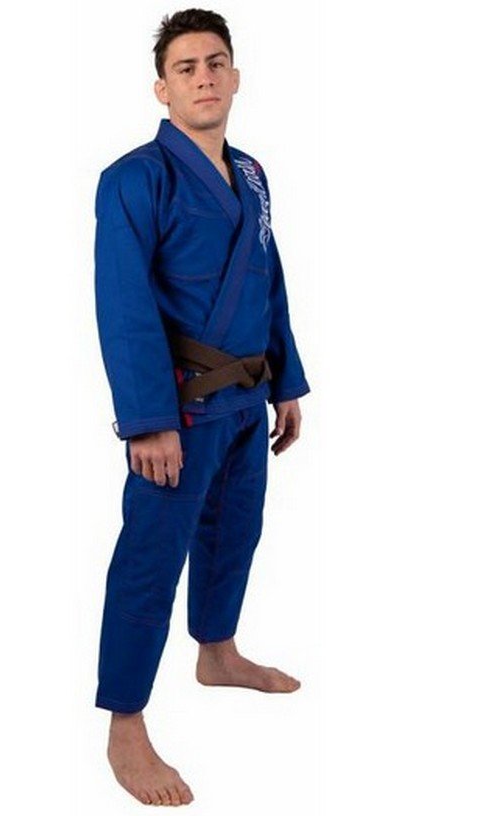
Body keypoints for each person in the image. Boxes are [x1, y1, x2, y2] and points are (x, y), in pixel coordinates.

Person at [92, 8, 311, 807]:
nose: (204, 76)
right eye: (186, 67)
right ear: (163, 88)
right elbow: (122, 305)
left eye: (216, 62)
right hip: (179, 412)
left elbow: (268, 277)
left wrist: (287, 380)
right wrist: (148, 420)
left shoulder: (250, 173)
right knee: (151, 560)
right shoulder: (134, 178)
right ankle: (125, 723)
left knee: (234, 533)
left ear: (236, 76)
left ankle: (216, 652)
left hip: (248, 400)